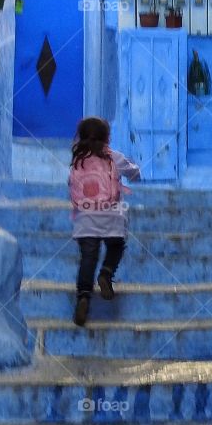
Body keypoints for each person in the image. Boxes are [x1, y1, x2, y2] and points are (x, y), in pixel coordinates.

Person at [68, 117, 141, 327]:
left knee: (88, 257)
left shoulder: (77, 160)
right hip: (112, 217)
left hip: (85, 219)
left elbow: (72, 185)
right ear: (107, 137)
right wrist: (133, 174)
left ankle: (83, 296)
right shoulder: (113, 157)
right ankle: (106, 273)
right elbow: (134, 173)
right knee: (116, 246)